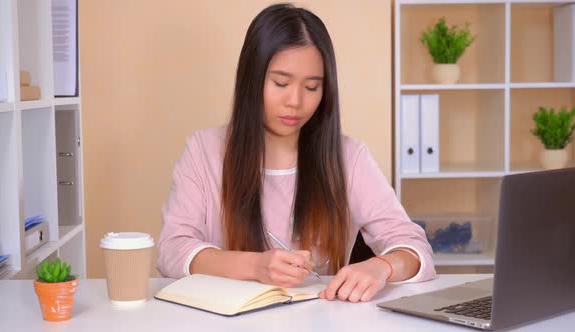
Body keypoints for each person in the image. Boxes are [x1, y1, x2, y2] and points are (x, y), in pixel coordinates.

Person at [157, 3, 435, 303]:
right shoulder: (204, 151)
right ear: (252, 79)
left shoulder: (348, 157)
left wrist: (381, 266)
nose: (295, 101)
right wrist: (255, 265)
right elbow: (172, 250)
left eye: (312, 87)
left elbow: (413, 246)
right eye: (281, 83)